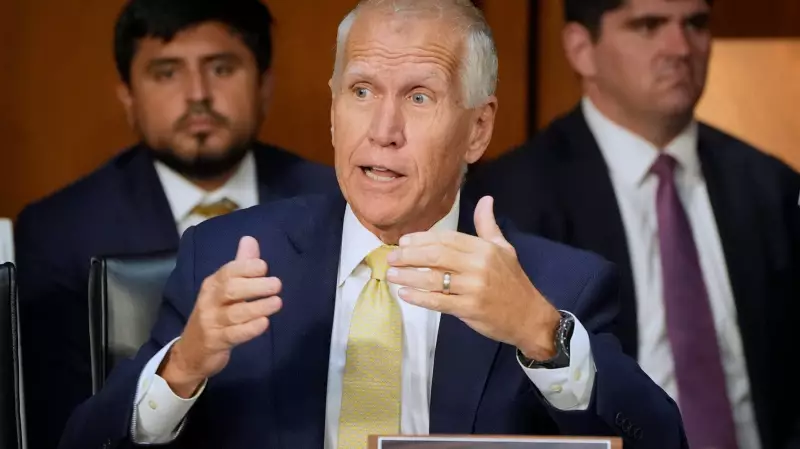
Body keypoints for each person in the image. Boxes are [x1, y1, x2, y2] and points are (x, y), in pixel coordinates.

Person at [59, 1, 688, 448]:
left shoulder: (556, 284)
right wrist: (184, 366)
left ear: (478, 129)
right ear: (334, 114)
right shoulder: (225, 255)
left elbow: (660, 439)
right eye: (361, 92)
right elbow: (85, 438)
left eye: (419, 96)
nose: (383, 131)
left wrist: (543, 335)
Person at [466, 0, 800, 448]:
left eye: (696, 23)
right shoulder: (509, 199)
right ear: (581, 49)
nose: (680, 47)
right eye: (648, 25)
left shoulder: (770, 186)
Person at [14, 0, 337, 446]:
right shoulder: (59, 233)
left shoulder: (338, 203)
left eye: (221, 68)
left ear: (264, 84)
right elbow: (63, 429)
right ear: (127, 96)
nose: (197, 94)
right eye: (166, 73)